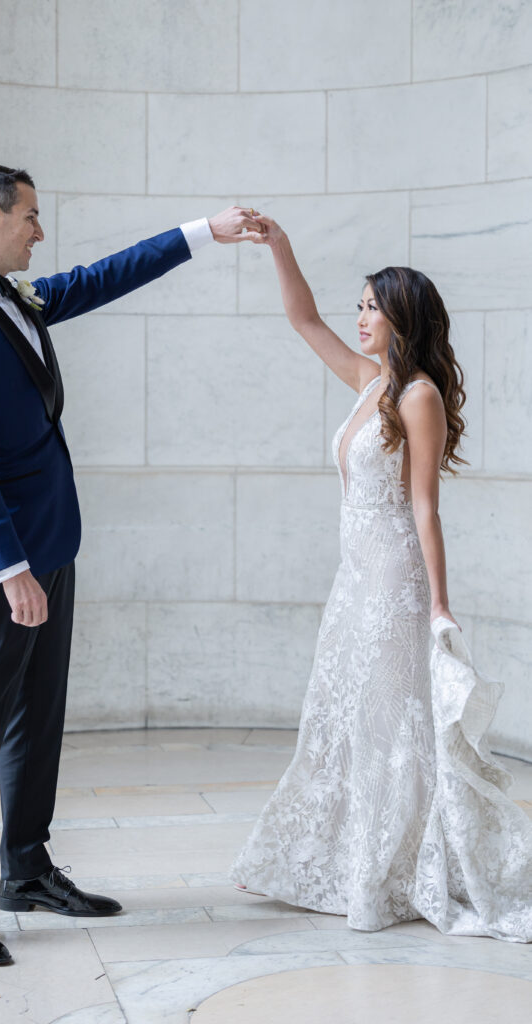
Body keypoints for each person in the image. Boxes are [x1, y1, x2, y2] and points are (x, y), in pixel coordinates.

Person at [0, 163, 264, 966]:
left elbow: (104, 278)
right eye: (32, 216)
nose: (42, 231)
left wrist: (203, 231)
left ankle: (27, 870)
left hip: (52, 541)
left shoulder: (18, 296)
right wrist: (9, 568)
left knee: (38, 714)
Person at [230, 214, 532, 942]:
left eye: (372, 306)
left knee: (390, 728)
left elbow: (425, 508)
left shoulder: (416, 395)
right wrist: (278, 244)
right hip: (354, 580)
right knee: (339, 721)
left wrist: (438, 606)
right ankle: (332, 858)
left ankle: (397, 868)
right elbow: (301, 318)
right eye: (360, 305)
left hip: (395, 583)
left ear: (403, 318)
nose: (360, 317)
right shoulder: (370, 381)